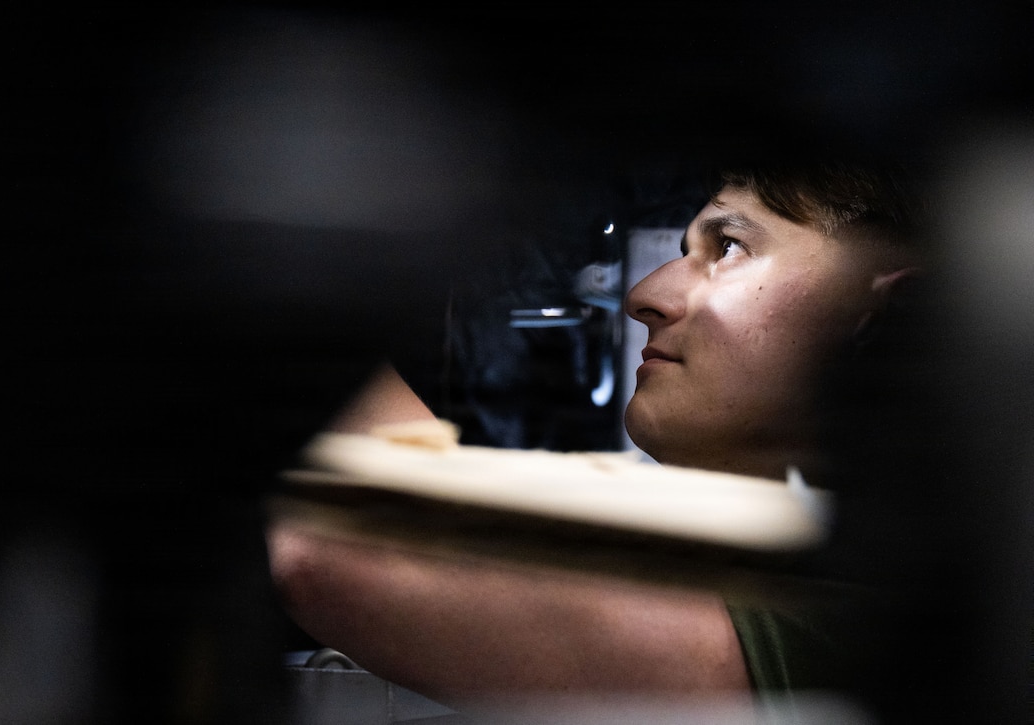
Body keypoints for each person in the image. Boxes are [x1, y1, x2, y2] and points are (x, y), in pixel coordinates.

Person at [266, 156, 923, 714]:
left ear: (883, 316)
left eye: (728, 248)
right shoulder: (723, 557)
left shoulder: (877, 626)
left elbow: (347, 540)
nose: (645, 294)